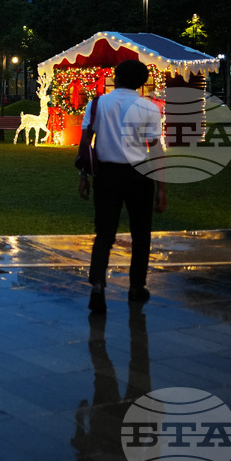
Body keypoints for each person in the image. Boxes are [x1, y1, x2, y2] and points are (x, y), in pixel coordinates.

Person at [78, 59, 167, 313]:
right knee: (141, 233)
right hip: (139, 176)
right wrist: (161, 188)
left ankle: (97, 284)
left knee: (104, 232)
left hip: (106, 175)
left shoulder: (97, 104)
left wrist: (83, 176)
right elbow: (156, 148)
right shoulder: (148, 108)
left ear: (115, 77)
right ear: (141, 84)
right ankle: (136, 287)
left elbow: (86, 143)